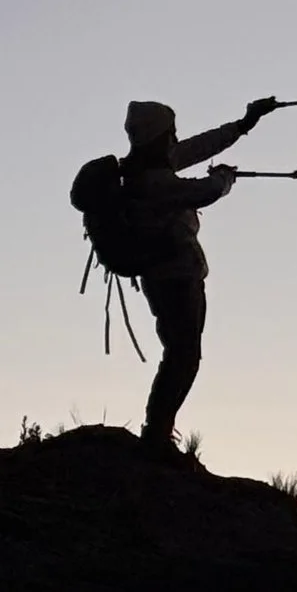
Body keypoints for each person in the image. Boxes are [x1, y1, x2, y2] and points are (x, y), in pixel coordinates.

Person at [116, 93, 279, 450]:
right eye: (170, 132)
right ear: (158, 136)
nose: (175, 138)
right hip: (173, 277)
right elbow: (203, 192)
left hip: (172, 276)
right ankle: (157, 433)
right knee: (184, 354)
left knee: (182, 352)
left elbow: (202, 146)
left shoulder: (147, 166)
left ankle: (158, 429)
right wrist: (223, 179)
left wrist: (243, 125)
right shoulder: (151, 181)